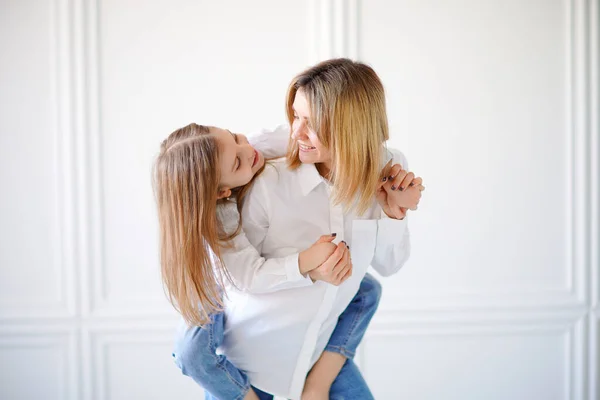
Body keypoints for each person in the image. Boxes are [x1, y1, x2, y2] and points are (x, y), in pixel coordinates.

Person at [174, 58, 424, 400]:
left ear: (349, 127)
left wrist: (396, 214)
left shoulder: (388, 168)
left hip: (315, 355)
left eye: (310, 122)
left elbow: (388, 266)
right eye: (295, 116)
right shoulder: (266, 179)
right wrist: (307, 267)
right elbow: (244, 280)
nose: (295, 131)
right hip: (254, 366)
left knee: (368, 290)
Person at [154, 122, 394, 399]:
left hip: (256, 289)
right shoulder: (219, 218)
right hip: (223, 282)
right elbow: (249, 276)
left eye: (235, 137)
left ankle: (318, 380)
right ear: (221, 192)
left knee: (366, 289)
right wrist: (305, 264)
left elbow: (300, 138)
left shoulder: (250, 148)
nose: (248, 150)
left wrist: (364, 139)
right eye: (237, 162)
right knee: (191, 350)